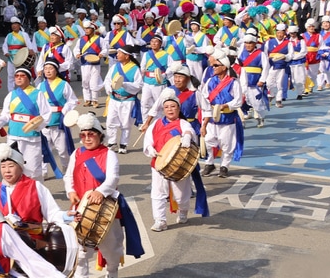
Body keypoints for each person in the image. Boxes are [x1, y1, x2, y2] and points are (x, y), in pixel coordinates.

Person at [63, 114, 144, 278]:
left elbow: (113, 178)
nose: (87, 138)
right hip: (81, 208)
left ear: (100, 135)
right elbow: (68, 176)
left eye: (91, 134)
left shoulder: (109, 154)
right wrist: (70, 191)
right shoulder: (76, 153)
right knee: (80, 250)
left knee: (111, 247)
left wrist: (101, 191)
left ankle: (112, 269)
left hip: (106, 206)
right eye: (83, 135)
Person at [142, 90, 209, 232]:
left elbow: (188, 131)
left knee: (181, 194)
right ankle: (160, 220)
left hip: (178, 165)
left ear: (178, 109)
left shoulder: (183, 123)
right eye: (167, 107)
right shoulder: (156, 124)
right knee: (158, 193)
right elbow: (148, 140)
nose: (170, 109)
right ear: (163, 109)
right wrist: (150, 148)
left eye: (173, 106)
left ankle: (183, 211)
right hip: (159, 164)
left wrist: (187, 136)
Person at [198, 51, 244, 177]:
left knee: (227, 143)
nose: (213, 68)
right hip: (212, 117)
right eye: (213, 66)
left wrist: (225, 106)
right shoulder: (210, 82)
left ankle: (224, 166)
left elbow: (238, 101)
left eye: (216, 66)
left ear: (224, 67)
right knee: (207, 140)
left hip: (227, 117)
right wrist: (204, 122)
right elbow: (205, 99)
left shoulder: (233, 82)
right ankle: (210, 163)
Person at [104, 46, 143, 155]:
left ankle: (123, 144)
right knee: (110, 121)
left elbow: (139, 85)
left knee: (125, 123)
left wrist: (124, 84)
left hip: (127, 100)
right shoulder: (115, 66)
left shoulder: (135, 69)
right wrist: (110, 89)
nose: (117, 55)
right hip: (114, 99)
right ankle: (111, 142)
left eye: (119, 53)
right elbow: (107, 80)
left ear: (126, 56)